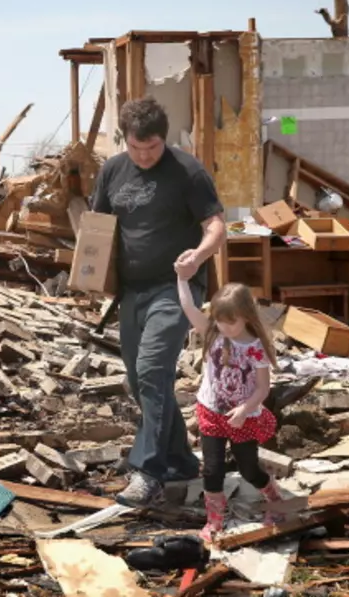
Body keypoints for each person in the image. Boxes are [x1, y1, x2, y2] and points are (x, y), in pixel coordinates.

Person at [90, 97, 226, 507]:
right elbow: (98, 227)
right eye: (137, 148)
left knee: (152, 367)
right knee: (141, 380)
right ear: (125, 140)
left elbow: (216, 225)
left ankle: (147, 471)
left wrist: (198, 256)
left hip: (176, 289)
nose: (145, 155)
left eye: (152, 148)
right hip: (131, 292)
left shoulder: (188, 171)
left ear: (163, 140)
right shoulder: (113, 169)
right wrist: (92, 275)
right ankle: (181, 462)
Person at [174, 276, 284, 541]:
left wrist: (245, 409)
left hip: (243, 418)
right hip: (211, 411)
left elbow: (262, 389)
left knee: (248, 469)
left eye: (230, 321)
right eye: (220, 320)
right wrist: (181, 277)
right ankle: (214, 519)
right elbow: (188, 307)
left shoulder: (255, 349)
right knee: (211, 469)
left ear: (246, 316)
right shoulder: (213, 333)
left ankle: (274, 499)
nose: (225, 327)